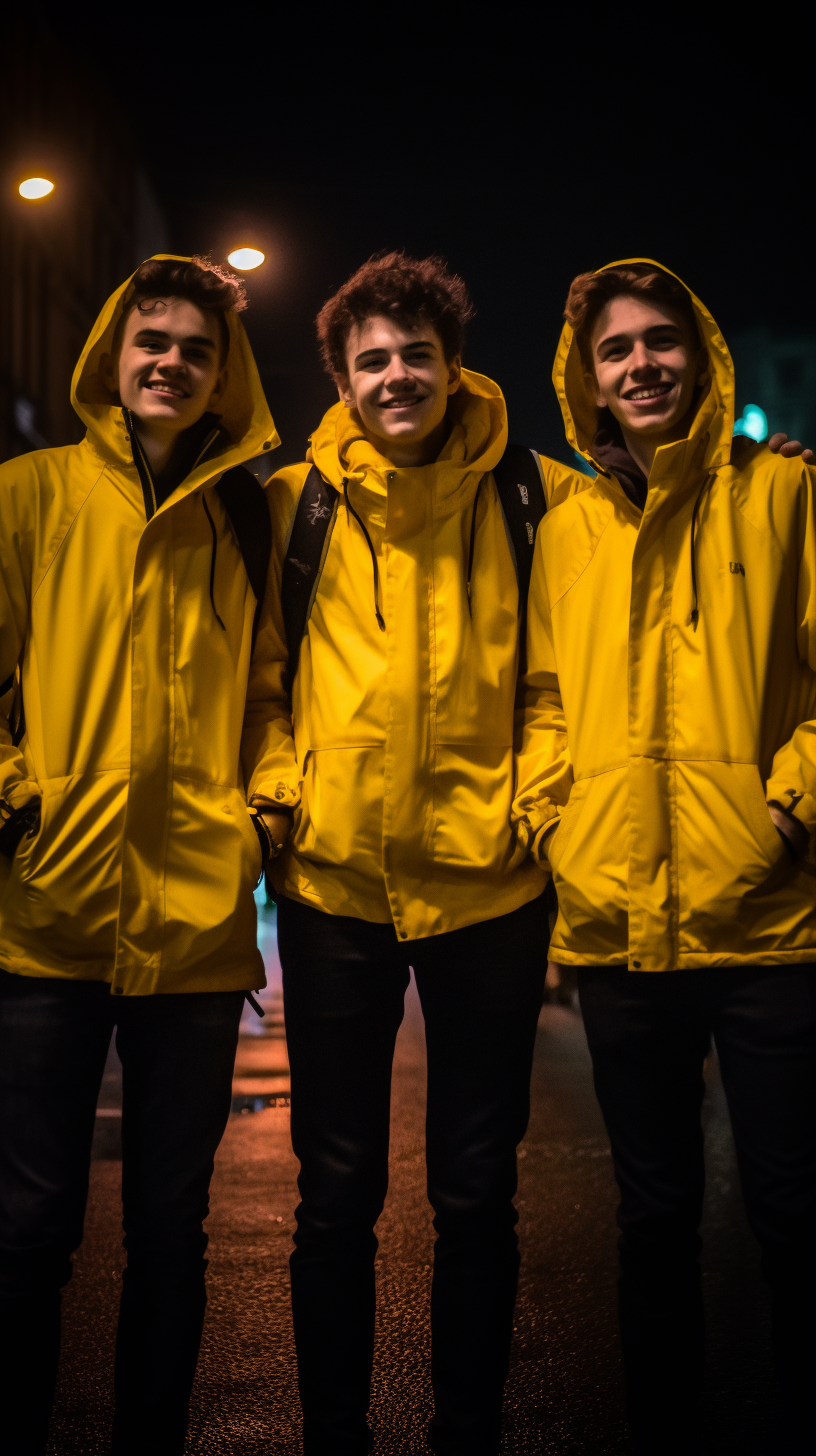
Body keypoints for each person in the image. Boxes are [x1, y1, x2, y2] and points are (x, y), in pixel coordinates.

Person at [245, 250, 587, 1456]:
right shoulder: (293, 503)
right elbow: (267, 686)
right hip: (336, 887)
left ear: (453, 364)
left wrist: (534, 810)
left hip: (491, 887)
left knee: (475, 1197)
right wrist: (283, 807)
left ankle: (466, 1431)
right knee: (333, 1198)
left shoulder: (536, 496)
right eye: (372, 359)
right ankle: (334, 1432)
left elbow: (557, 682)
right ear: (340, 377)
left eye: (416, 354)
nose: (398, 375)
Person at [514, 258, 816, 1453]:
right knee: (652, 1220)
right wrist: (556, 825)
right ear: (586, 378)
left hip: (773, 924)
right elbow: (540, 701)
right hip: (616, 925)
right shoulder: (570, 529)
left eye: (659, 340)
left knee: (794, 1209)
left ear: (702, 354)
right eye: (614, 349)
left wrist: (785, 812)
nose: (639, 363)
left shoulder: (784, 496)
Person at [0, 254, 282, 1455]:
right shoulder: (30, 491)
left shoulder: (252, 514)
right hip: (45, 918)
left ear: (226, 379)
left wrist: (261, 812)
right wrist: (19, 794)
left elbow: (276, 694)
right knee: (26, 1224)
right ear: (112, 357)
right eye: (149, 339)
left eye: (195, 347)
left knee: (172, 1224)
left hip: (198, 928)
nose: (169, 360)